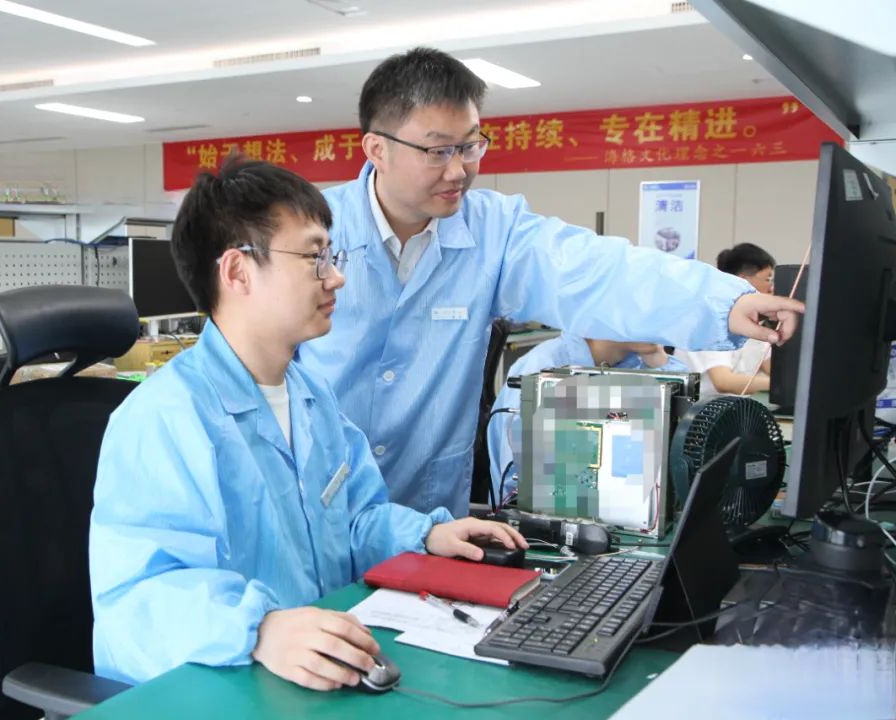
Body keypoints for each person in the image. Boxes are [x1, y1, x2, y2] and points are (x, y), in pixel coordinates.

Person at [299, 47, 804, 518]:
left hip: (431, 516)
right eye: (437, 151)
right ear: (377, 149)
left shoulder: (494, 231)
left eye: (471, 146)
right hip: (318, 510)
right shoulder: (309, 231)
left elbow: (595, 270)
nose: (459, 170)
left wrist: (725, 303)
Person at [89, 157, 526, 690]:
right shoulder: (164, 418)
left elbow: (354, 521)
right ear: (237, 272)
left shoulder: (310, 396)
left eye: (331, 255)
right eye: (314, 257)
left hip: (317, 667)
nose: (336, 276)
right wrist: (259, 630)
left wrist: (427, 533)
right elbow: (135, 598)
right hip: (220, 682)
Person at [487, 337, 688, 501]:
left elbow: (683, 414)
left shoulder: (637, 363)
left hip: (619, 507)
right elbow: (519, 476)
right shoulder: (545, 365)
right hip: (545, 516)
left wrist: (657, 357)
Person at [676, 243, 777, 395]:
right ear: (743, 281)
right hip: (701, 408)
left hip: (735, 406)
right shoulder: (710, 321)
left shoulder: (755, 324)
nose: (772, 288)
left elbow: (774, 370)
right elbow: (723, 382)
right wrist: (777, 384)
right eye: (768, 279)